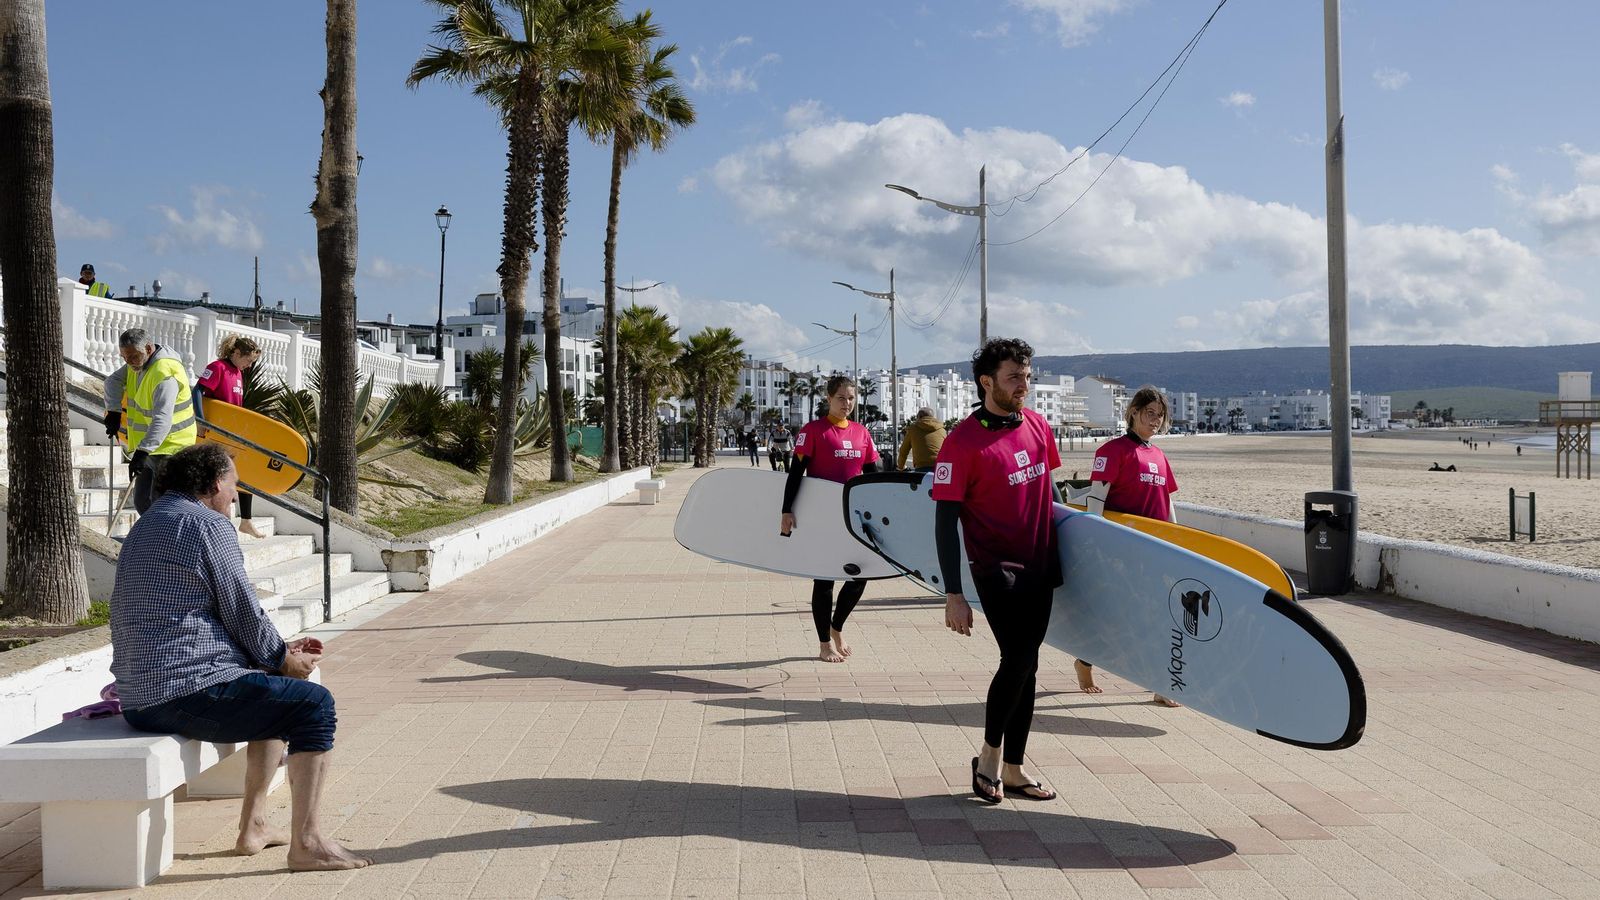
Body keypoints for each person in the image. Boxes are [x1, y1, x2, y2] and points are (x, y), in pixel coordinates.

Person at [111, 443, 369, 871]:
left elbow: (200, 616)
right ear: (214, 484)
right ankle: (307, 844)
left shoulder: (147, 523)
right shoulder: (207, 525)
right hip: (182, 694)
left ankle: (254, 826)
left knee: (273, 693)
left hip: (139, 697)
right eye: (233, 485)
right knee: (313, 706)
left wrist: (276, 655)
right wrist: (282, 658)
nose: (235, 495)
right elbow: (240, 605)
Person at [933, 338, 1061, 803]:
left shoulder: (1038, 426)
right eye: (1014, 377)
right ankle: (988, 757)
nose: (1023, 385)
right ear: (987, 382)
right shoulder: (960, 443)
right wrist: (953, 593)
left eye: (1027, 376)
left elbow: (1052, 496)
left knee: (1029, 665)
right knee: (1019, 659)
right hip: (996, 568)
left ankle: (1014, 768)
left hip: (1042, 562)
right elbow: (945, 521)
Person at [1079, 387, 1182, 707]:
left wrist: (1178, 543)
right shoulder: (1113, 451)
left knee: (1156, 617)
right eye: (1149, 412)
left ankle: (1159, 683)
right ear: (1134, 412)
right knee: (1110, 613)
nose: (1155, 419)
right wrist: (1095, 542)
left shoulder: (1159, 456)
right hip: (1118, 548)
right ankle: (1084, 661)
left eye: (1160, 415)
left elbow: (1166, 504)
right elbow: (1096, 499)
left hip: (1153, 550)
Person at [782, 375, 882, 663]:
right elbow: (795, 474)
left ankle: (836, 627)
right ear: (828, 398)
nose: (847, 403)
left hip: (853, 517)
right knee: (824, 581)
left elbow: (874, 476)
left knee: (861, 575)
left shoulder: (862, 433)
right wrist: (786, 510)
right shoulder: (813, 431)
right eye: (841, 398)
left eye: (851, 398)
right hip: (821, 517)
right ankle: (824, 643)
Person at [103, 327, 197, 514]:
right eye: (124, 358)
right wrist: (113, 411)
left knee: (161, 505)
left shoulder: (164, 373)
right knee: (142, 502)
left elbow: (162, 418)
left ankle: (167, 541)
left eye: (133, 357)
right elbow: (112, 382)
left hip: (172, 447)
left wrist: (142, 452)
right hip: (148, 447)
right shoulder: (136, 364)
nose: (129, 363)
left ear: (148, 348)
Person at [196, 335, 266, 538]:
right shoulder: (217, 368)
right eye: (248, 360)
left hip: (232, 434)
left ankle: (246, 521)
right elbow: (197, 391)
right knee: (213, 479)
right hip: (215, 435)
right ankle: (211, 522)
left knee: (247, 472)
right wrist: (201, 420)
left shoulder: (237, 372)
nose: (249, 365)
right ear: (236, 353)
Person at [897, 406, 947, 471]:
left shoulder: (913, 429)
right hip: (941, 468)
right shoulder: (942, 430)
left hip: (922, 468)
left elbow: (903, 451)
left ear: (919, 417)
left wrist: (901, 467)